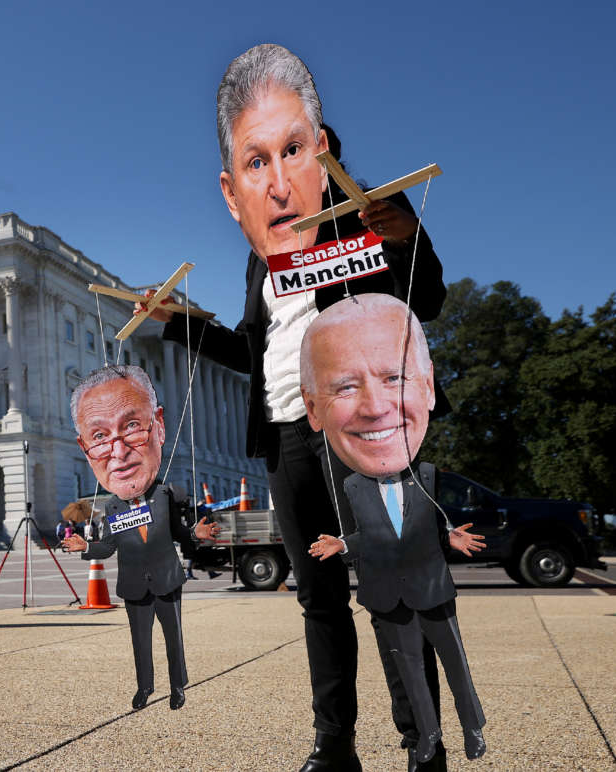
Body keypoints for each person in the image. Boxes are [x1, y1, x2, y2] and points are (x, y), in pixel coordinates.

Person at [145, 44, 450, 771]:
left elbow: (427, 298)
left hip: (354, 432)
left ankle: (423, 745)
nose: (284, 183)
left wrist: (402, 234)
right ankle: (333, 744)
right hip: (285, 434)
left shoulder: (368, 218)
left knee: (390, 590)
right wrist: (175, 320)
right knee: (318, 598)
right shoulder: (266, 255)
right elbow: (255, 350)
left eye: (303, 155)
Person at [303, 295, 486, 764]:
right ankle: (422, 737)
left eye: (393, 378)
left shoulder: (424, 478)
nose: (375, 407)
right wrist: (342, 542)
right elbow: (375, 536)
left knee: (454, 666)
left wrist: (452, 537)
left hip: (431, 589)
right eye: (346, 387)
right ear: (313, 407)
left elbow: (429, 525)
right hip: (389, 596)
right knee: (410, 673)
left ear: (426, 387)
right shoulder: (358, 490)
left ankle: (471, 728)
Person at [60, 365, 219, 711]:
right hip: (133, 585)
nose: (118, 453)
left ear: (158, 426)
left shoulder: (167, 495)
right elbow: (108, 546)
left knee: (173, 639)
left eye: (132, 427)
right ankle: (144, 687)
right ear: (84, 447)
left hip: (166, 580)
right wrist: (84, 547)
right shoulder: (112, 508)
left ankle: (178, 686)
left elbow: (180, 533)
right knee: (140, 642)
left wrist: (198, 534)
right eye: (99, 437)